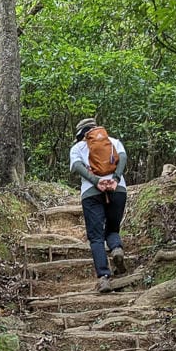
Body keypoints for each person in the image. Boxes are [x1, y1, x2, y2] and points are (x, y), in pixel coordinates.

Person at [69, 117, 128, 292]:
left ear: (80, 133)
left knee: (96, 236)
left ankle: (104, 277)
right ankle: (116, 248)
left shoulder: (77, 148)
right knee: (112, 228)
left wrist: (96, 181)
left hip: (91, 193)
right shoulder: (113, 141)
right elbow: (123, 158)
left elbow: (78, 167)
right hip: (118, 190)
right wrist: (115, 179)